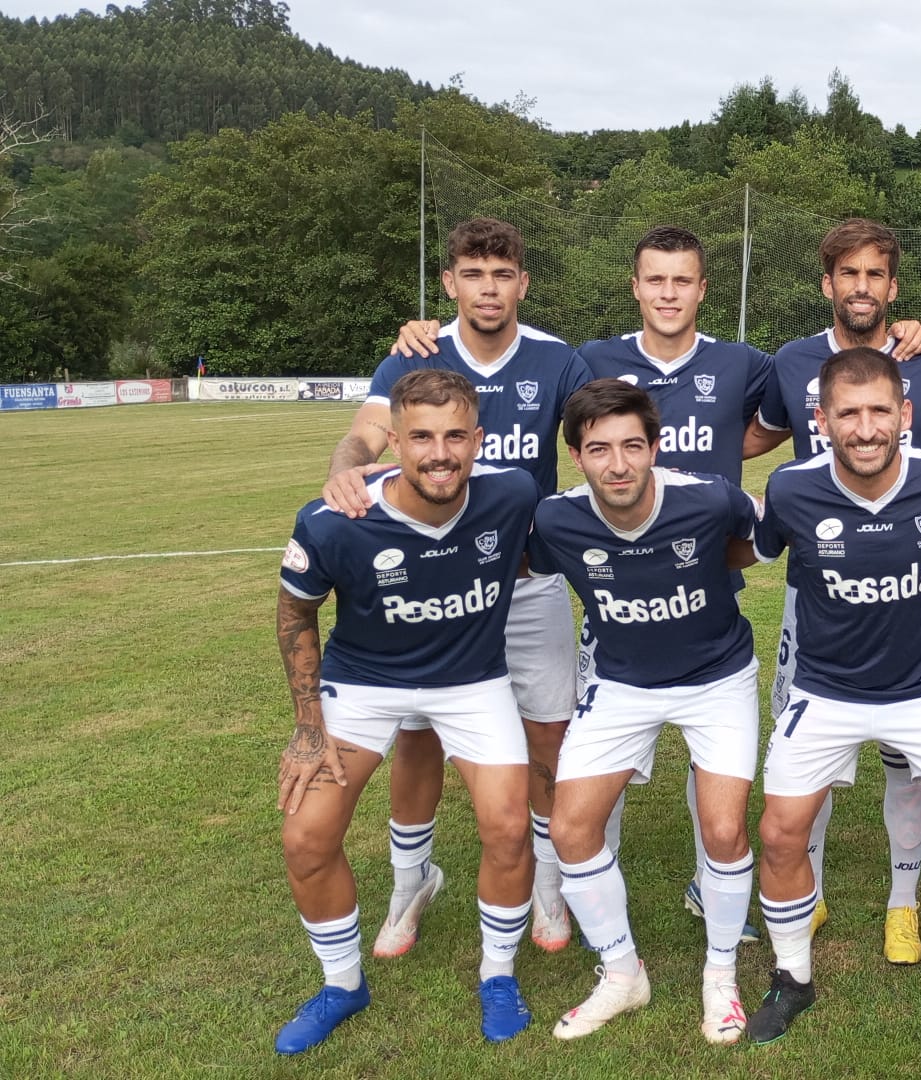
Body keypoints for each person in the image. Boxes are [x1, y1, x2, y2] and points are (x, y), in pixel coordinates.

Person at [385, 224, 921, 945]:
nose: (669, 294)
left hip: (708, 592)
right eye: (656, 280)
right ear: (636, 286)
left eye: (683, 281)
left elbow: (780, 420)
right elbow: (508, 405)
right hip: (615, 596)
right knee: (597, 753)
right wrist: (431, 334)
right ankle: (587, 895)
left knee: (715, 755)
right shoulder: (592, 361)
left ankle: (714, 888)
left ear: (702, 289)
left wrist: (908, 333)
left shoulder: (746, 363)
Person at [322, 218, 590, 958]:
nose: (489, 288)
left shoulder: (555, 359)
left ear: (522, 284)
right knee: (416, 737)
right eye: (473, 274)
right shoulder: (417, 350)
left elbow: (600, 430)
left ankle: (544, 883)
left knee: (547, 735)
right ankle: (413, 881)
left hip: (528, 586)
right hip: (433, 584)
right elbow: (368, 433)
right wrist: (347, 466)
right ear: (450, 284)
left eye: (502, 275)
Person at [744, 347, 921, 1047]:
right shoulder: (793, 488)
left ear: (905, 414)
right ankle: (791, 977)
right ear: (823, 419)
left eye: (878, 412)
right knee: (778, 833)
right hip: (825, 688)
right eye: (848, 414)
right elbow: (756, 550)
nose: (865, 429)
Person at [272, 369, 540, 1053]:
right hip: (364, 683)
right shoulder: (336, 519)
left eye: (456, 436)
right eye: (421, 437)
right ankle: (341, 984)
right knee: (306, 837)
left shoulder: (511, 496)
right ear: (395, 441)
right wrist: (308, 727)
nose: (440, 453)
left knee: (509, 827)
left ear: (479, 441)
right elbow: (296, 611)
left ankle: (498, 974)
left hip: (471, 682)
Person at [745, 218, 921, 965]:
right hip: (820, 603)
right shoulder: (791, 362)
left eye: (876, 275)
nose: (863, 287)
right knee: (802, 761)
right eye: (850, 275)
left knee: (905, 762)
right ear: (828, 285)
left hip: (911, 598)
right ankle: (801, 902)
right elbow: (743, 436)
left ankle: (902, 905)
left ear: (893, 287)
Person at [527, 379, 764, 1044]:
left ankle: (721, 975)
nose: (619, 463)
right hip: (622, 682)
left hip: (716, 677)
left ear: (655, 447)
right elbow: (509, 562)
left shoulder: (708, 496)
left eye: (633, 446)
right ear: (577, 455)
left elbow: (760, 535)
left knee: (722, 830)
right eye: (599, 449)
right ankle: (622, 972)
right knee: (572, 829)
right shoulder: (556, 519)